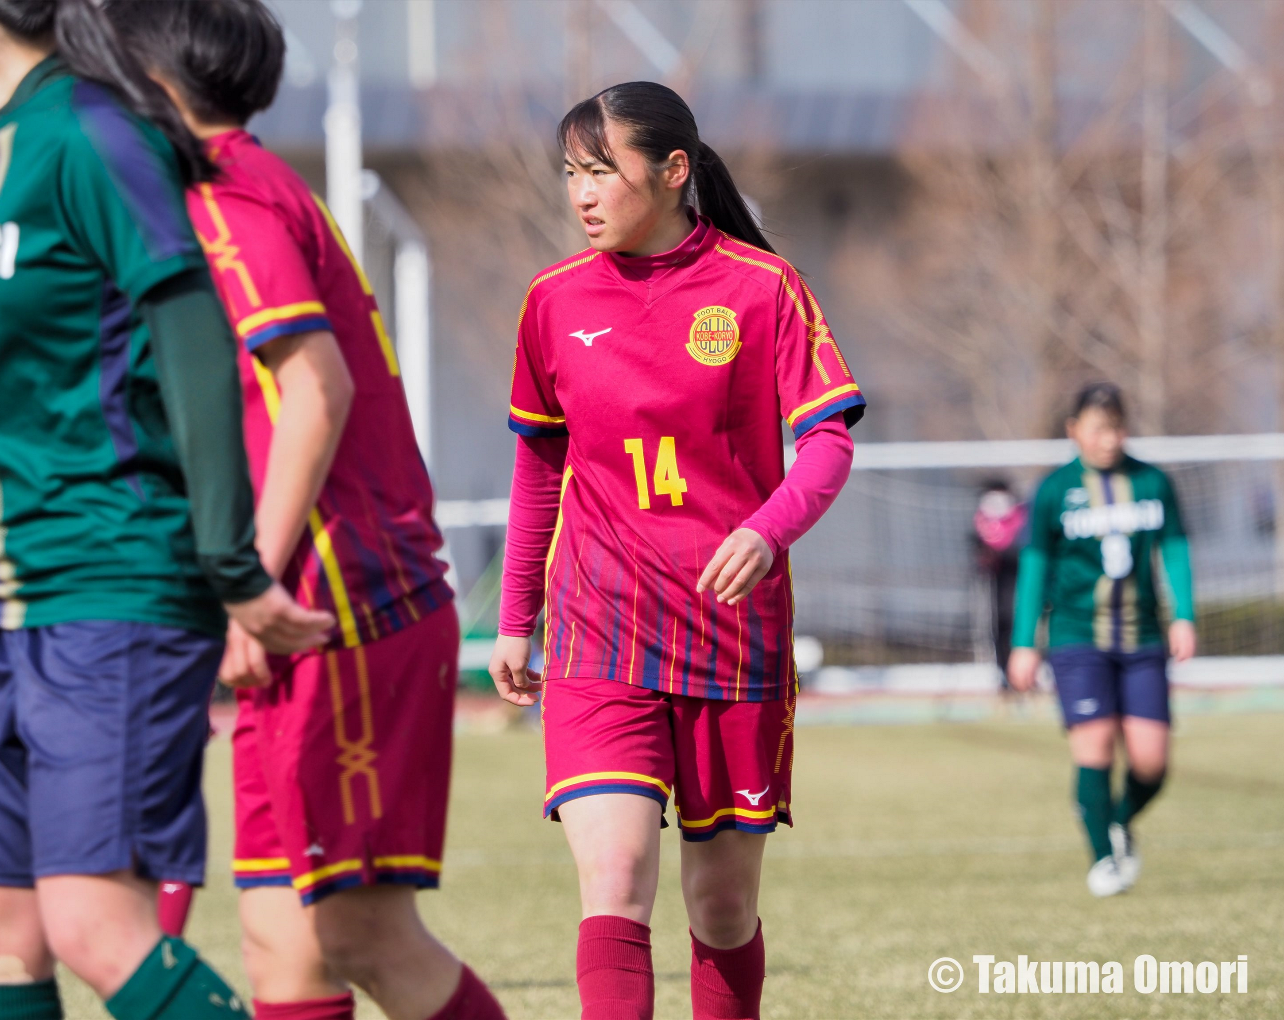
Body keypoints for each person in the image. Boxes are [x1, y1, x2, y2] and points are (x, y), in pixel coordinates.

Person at [0, 0, 334, 1018]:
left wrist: (232, 568)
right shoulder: (18, 144)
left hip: (114, 590)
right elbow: (19, 419)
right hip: (0, 607)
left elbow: (190, 328)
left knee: (92, 924)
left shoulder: (86, 130)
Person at [106, 3, 507, 1019]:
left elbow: (314, 391)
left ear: (152, 84)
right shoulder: (227, 189)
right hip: (292, 611)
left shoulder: (226, 196)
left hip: (341, 602)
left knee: (361, 933)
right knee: (280, 945)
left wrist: (250, 583)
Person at [489, 82, 864, 1020]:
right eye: (570, 173)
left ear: (672, 171)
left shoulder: (761, 287)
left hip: (732, 638)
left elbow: (828, 442)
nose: (581, 194)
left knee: (723, 903)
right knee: (614, 874)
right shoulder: (552, 303)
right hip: (597, 632)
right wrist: (513, 620)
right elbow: (541, 469)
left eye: (600, 171)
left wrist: (765, 530)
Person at [1007, 382, 1196, 897]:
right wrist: (1024, 642)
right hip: (1076, 637)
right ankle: (1103, 862)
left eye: (1114, 428)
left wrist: (1185, 614)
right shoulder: (1054, 491)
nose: (1107, 440)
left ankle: (1117, 818)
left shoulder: (1152, 482)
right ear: (1074, 432)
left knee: (1151, 763)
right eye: (1096, 429)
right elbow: (1034, 567)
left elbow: (1175, 548)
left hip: (1143, 639)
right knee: (1094, 749)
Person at [972, 480, 1026, 687]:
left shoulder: (1021, 518)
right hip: (997, 585)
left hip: (1018, 586)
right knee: (1000, 627)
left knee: (1017, 625)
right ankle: (1004, 675)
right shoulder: (984, 521)